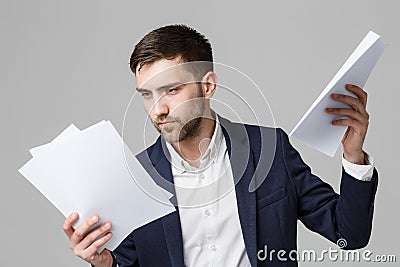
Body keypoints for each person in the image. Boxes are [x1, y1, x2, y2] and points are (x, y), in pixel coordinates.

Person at [62, 24, 378, 267]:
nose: (158, 108)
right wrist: (106, 264)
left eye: (171, 89)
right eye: (146, 94)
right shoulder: (135, 177)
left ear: (208, 86)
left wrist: (353, 155)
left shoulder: (270, 148)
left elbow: (348, 234)